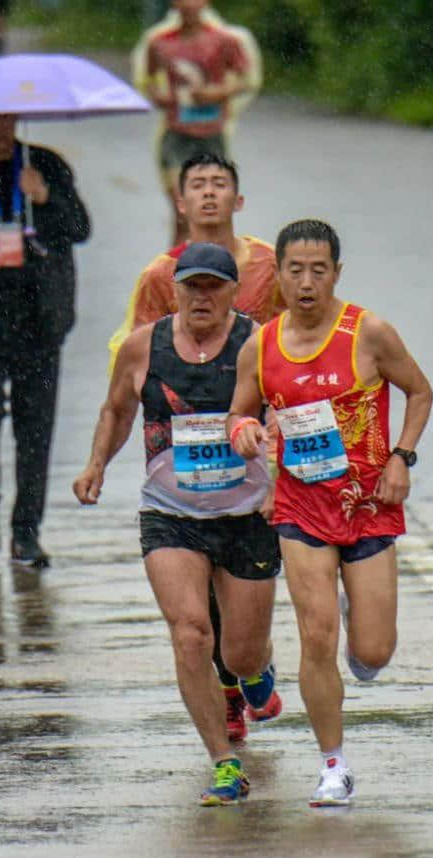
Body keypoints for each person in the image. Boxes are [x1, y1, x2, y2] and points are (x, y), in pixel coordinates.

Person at [228, 219, 433, 807]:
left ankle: (360, 633)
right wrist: (243, 431)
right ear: (280, 278)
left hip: (368, 506)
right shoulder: (261, 345)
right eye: (295, 270)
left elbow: (420, 391)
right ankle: (333, 766)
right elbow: (238, 412)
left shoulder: (368, 332)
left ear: (336, 274)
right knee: (316, 635)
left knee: (371, 653)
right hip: (300, 505)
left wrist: (401, 458)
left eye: (319, 270)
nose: (307, 282)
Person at [73, 243, 281, 806]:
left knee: (239, 654)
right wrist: (96, 464)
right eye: (192, 286)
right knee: (191, 633)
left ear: (234, 293)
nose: (202, 297)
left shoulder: (260, 344)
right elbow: (117, 409)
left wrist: (282, 482)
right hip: (172, 516)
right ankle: (224, 761)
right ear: (176, 291)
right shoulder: (144, 347)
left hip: (246, 516)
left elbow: (287, 412)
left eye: (214, 286)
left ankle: (256, 669)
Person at [108, 150, 285, 744]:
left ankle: (246, 667)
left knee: (239, 611)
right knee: (194, 609)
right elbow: (135, 349)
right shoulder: (160, 275)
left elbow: (301, 340)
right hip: (184, 445)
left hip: (257, 444)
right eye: (197, 186)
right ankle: (227, 699)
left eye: (220, 185)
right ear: (180, 203)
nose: (209, 195)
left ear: (238, 198)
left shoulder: (268, 266)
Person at [0, 113, 90, 566]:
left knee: (35, 428)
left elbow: (79, 229)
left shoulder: (45, 164)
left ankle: (26, 530)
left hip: (39, 319)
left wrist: (44, 198)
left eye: (4, 118)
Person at [131, 0, 261, 244]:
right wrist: (159, 96)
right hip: (176, 134)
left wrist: (218, 93)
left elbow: (245, 80)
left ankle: (211, 272)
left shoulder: (225, 40)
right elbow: (147, 79)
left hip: (212, 136)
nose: (189, 5)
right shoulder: (160, 42)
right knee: (183, 213)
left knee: (210, 217)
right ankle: (175, 276)